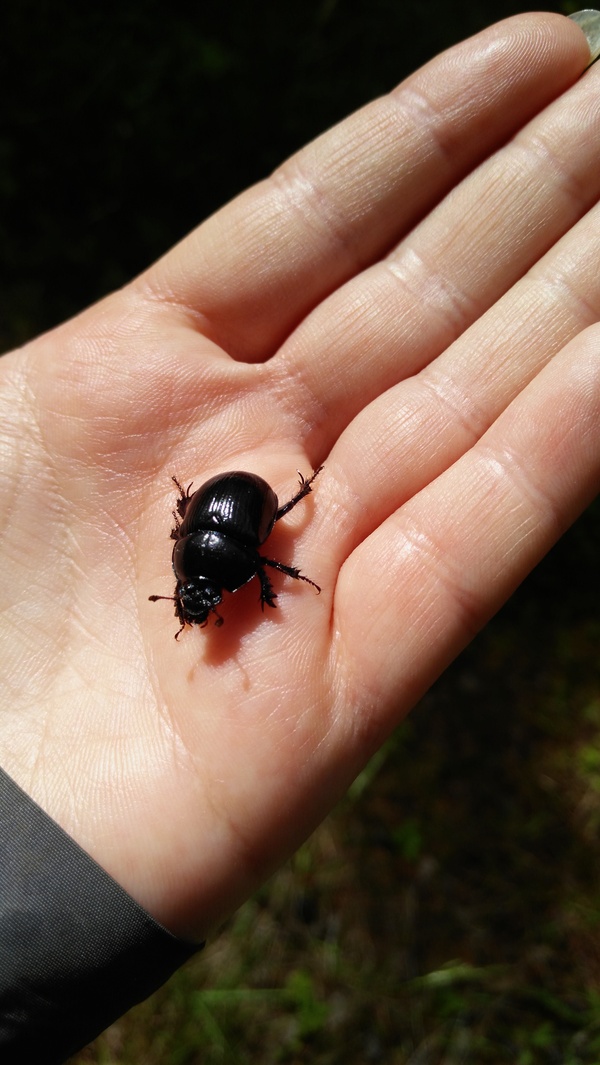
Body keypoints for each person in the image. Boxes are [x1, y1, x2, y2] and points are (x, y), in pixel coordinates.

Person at [1, 10, 599, 1062]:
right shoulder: (215, 567)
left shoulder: (215, 562)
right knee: (263, 538)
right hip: (236, 502)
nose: (203, 609)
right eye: (206, 602)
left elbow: (222, 540)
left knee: (266, 534)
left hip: (236, 500)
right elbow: (220, 544)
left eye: (203, 601)